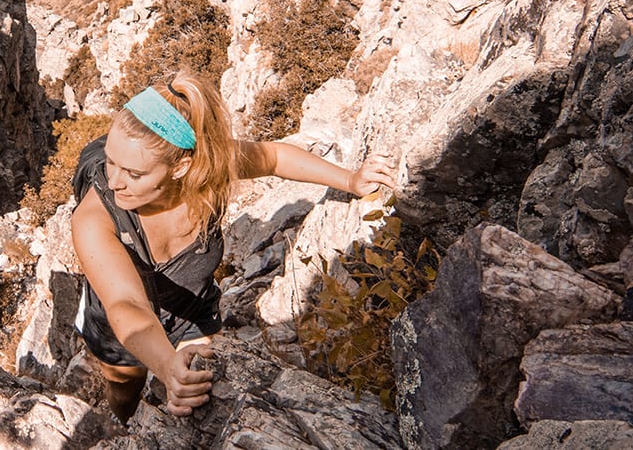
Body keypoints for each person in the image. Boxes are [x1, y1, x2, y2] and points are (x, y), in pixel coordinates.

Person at [70, 70, 396, 423]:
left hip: (194, 309)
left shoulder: (207, 172)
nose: (116, 182)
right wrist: (165, 367)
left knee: (206, 387)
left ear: (182, 168)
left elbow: (273, 159)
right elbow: (125, 302)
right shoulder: (93, 219)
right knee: (123, 385)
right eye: (111, 162)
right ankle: (121, 425)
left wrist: (350, 179)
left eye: (133, 173)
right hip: (118, 323)